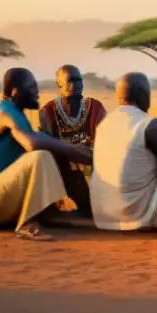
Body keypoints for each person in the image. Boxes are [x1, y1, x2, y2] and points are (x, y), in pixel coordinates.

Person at [0, 67, 92, 240]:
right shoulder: (4, 113)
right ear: (16, 91)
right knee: (40, 155)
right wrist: (77, 153)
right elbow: (32, 143)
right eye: (32, 87)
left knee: (48, 153)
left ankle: (48, 213)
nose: (37, 92)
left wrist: (76, 152)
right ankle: (27, 223)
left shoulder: (17, 114)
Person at [89, 72, 157, 231]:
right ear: (142, 94)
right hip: (137, 216)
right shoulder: (150, 124)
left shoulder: (104, 123)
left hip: (102, 216)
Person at [38, 65, 106, 216]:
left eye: (78, 80)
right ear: (59, 86)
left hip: (94, 166)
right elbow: (48, 149)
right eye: (69, 81)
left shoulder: (95, 107)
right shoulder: (47, 112)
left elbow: (103, 144)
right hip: (65, 170)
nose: (74, 84)